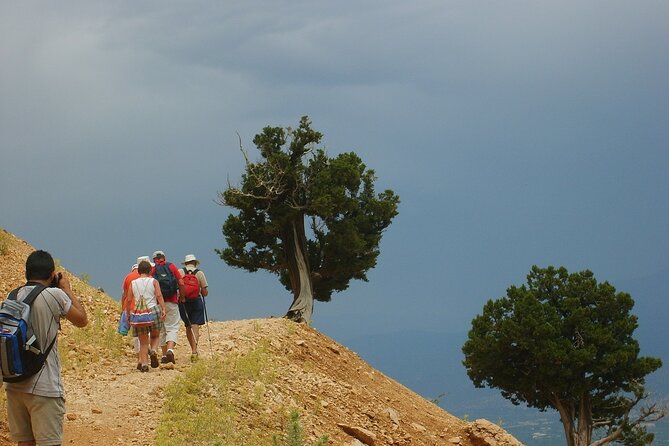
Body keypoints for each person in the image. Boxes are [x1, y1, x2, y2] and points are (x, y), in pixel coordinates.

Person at [4, 250, 87, 446]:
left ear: (27, 273)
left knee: (24, 442)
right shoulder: (54, 295)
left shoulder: (13, 295)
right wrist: (67, 288)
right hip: (44, 388)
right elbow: (82, 320)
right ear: (51, 275)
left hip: (15, 384)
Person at [125, 260, 166, 371]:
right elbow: (159, 295)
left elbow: (129, 300)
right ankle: (153, 349)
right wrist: (163, 308)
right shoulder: (154, 281)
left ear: (138, 271)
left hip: (139, 313)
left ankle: (144, 364)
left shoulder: (133, 283)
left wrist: (128, 314)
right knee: (155, 336)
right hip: (153, 310)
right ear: (150, 270)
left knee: (143, 341)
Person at [151, 250, 184, 365]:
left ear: (154, 259)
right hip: (172, 301)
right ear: (164, 257)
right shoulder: (171, 266)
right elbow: (181, 282)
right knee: (172, 327)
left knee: (162, 329)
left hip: (158, 303)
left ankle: (164, 355)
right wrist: (182, 297)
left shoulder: (153, 269)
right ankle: (170, 350)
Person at [178, 254, 209, 361]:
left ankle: (192, 348)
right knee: (195, 326)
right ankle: (194, 351)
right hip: (196, 301)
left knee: (188, 326)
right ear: (195, 262)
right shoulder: (200, 273)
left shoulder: (180, 272)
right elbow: (205, 292)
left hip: (183, 301)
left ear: (185, 263)